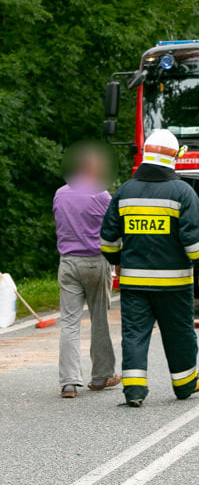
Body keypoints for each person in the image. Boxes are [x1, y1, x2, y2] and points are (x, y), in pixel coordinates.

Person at [100, 129, 199, 407]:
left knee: (134, 335)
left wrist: (119, 262)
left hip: (134, 285)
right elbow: (194, 245)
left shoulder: (125, 192)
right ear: (173, 157)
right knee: (179, 334)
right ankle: (184, 384)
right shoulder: (183, 193)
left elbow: (107, 242)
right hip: (175, 285)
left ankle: (134, 391)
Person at [53, 142, 120, 398]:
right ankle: (102, 375)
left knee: (69, 323)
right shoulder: (101, 195)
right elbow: (114, 227)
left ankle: (69, 382)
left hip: (68, 262)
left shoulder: (60, 194)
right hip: (96, 261)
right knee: (99, 320)